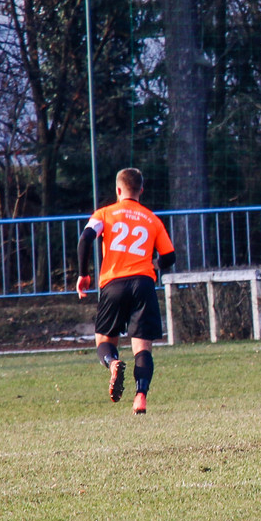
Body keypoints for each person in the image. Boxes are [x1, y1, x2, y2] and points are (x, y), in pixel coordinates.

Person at [76, 168, 176, 413]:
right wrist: (153, 264)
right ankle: (140, 396)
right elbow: (169, 256)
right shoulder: (152, 219)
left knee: (104, 340)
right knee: (142, 348)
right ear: (141, 190)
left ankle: (112, 363)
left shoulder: (105, 213)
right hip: (143, 284)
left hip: (114, 285)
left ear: (118, 190)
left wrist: (83, 274)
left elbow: (85, 238)